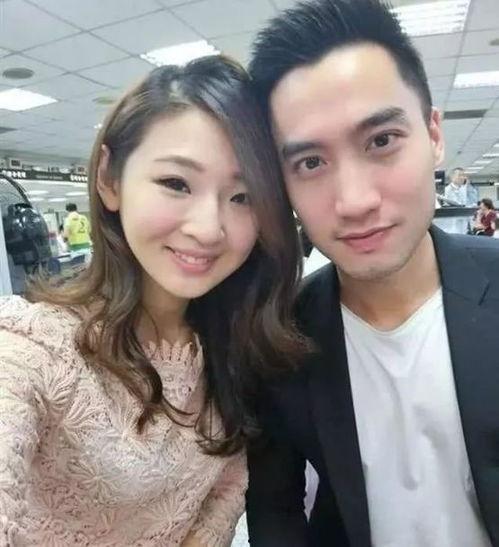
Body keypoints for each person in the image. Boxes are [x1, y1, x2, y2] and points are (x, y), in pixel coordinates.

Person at [0, 55, 305, 546]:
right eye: (176, 184)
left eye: (243, 197)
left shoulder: (239, 348)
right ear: (109, 179)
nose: (208, 228)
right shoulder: (35, 349)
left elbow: (220, 508)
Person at [246, 1, 499, 546]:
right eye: (310, 163)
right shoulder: (279, 340)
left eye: (381, 141)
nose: (355, 201)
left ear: (434, 135)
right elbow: (275, 509)